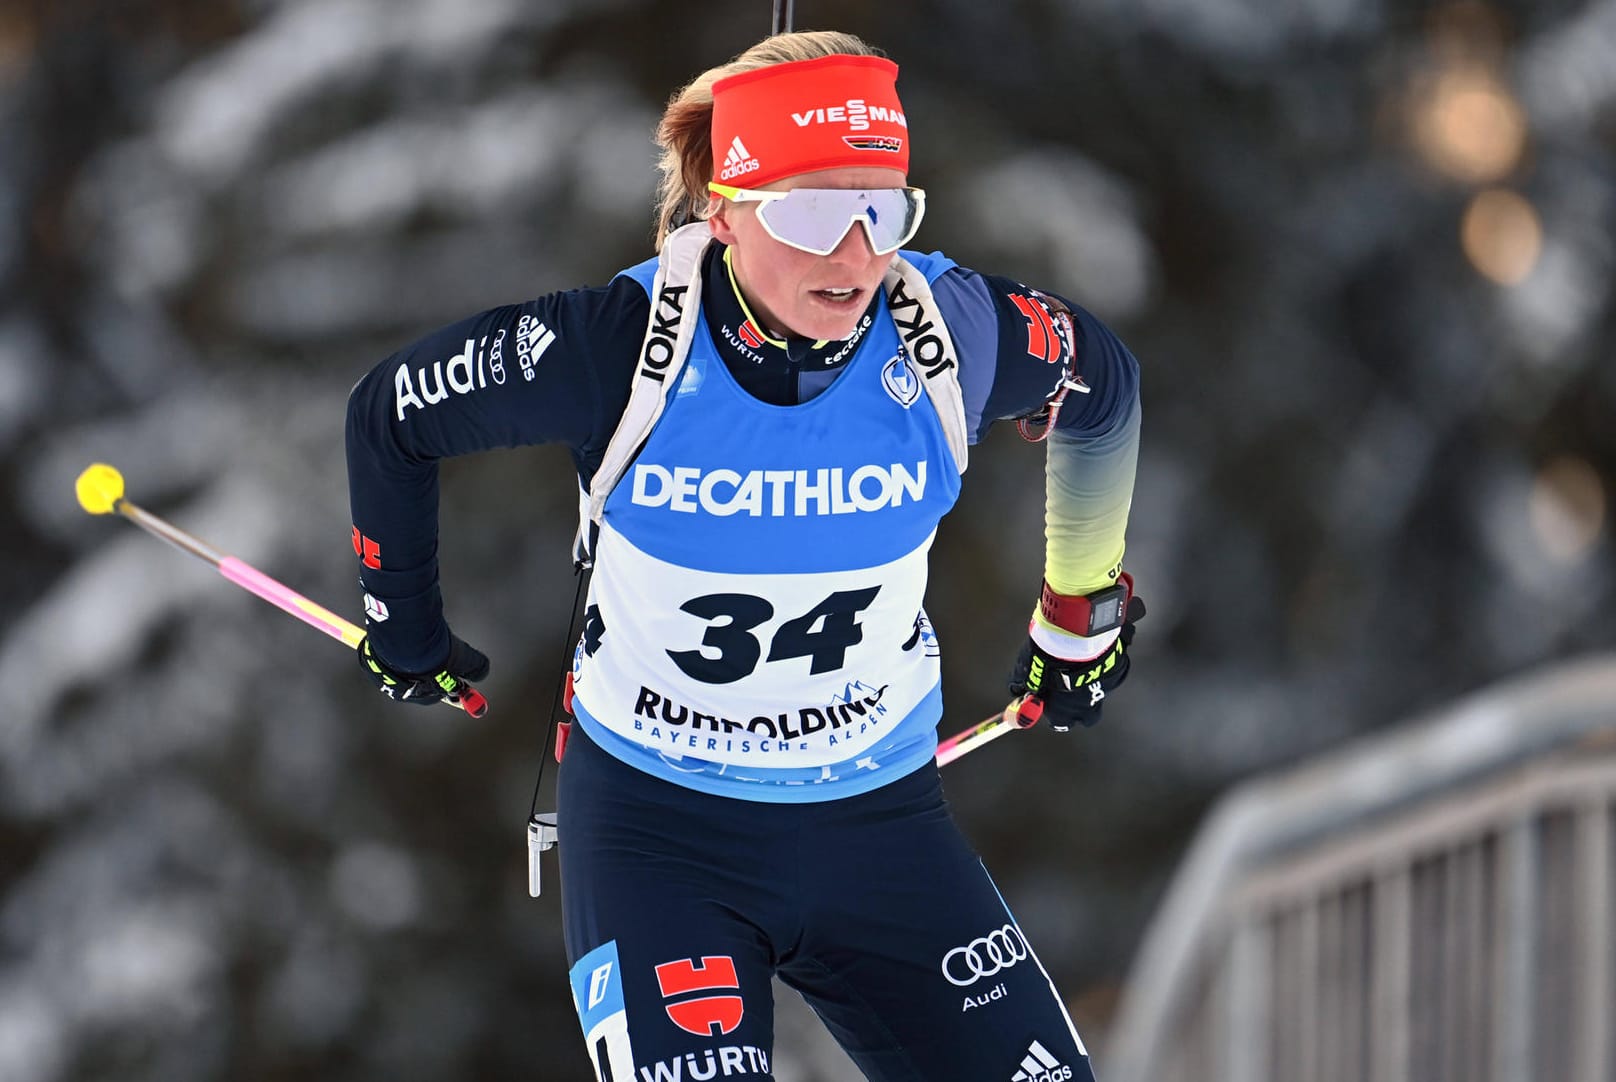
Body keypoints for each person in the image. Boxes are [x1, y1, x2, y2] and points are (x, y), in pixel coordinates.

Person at [345, 29, 1142, 1082]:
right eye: (815, 210)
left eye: (883, 210)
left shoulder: (952, 334)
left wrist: (1077, 614)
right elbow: (394, 413)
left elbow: (1105, 387)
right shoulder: (619, 346)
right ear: (722, 207)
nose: (855, 257)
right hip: (658, 835)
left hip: (880, 826)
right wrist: (403, 620)